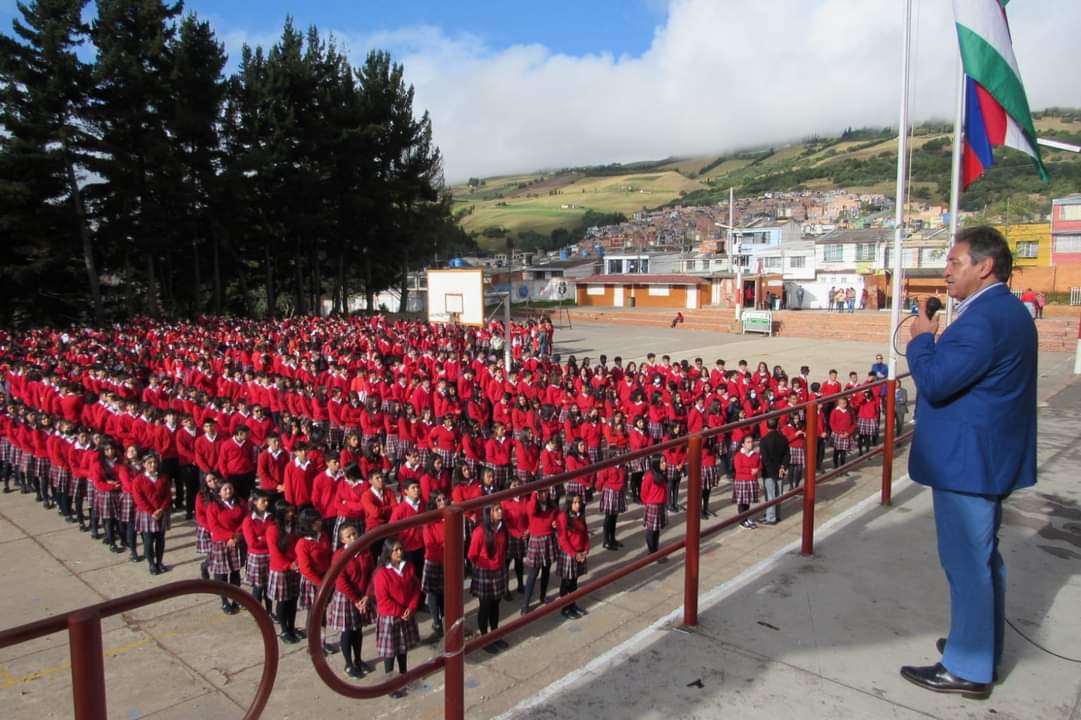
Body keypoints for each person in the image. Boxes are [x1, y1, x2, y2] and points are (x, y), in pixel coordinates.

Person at [900, 226, 1037, 699]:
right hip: (988, 455)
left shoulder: (982, 320)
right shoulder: (1007, 311)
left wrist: (921, 339)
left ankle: (967, 666)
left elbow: (936, 381)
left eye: (954, 262)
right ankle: (977, 643)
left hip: (968, 462)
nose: (946, 271)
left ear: (985, 266)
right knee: (982, 561)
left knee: (965, 564)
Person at [758, 418, 789, 525]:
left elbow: (765, 459)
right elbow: (787, 455)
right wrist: (783, 467)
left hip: (769, 471)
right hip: (780, 470)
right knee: (778, 494)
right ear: (777, 426)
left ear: (767, 427)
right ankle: (777, 515)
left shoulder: (764, 440)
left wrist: (772, 470)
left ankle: (771, 517)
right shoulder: (783, 439)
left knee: (770, 495)